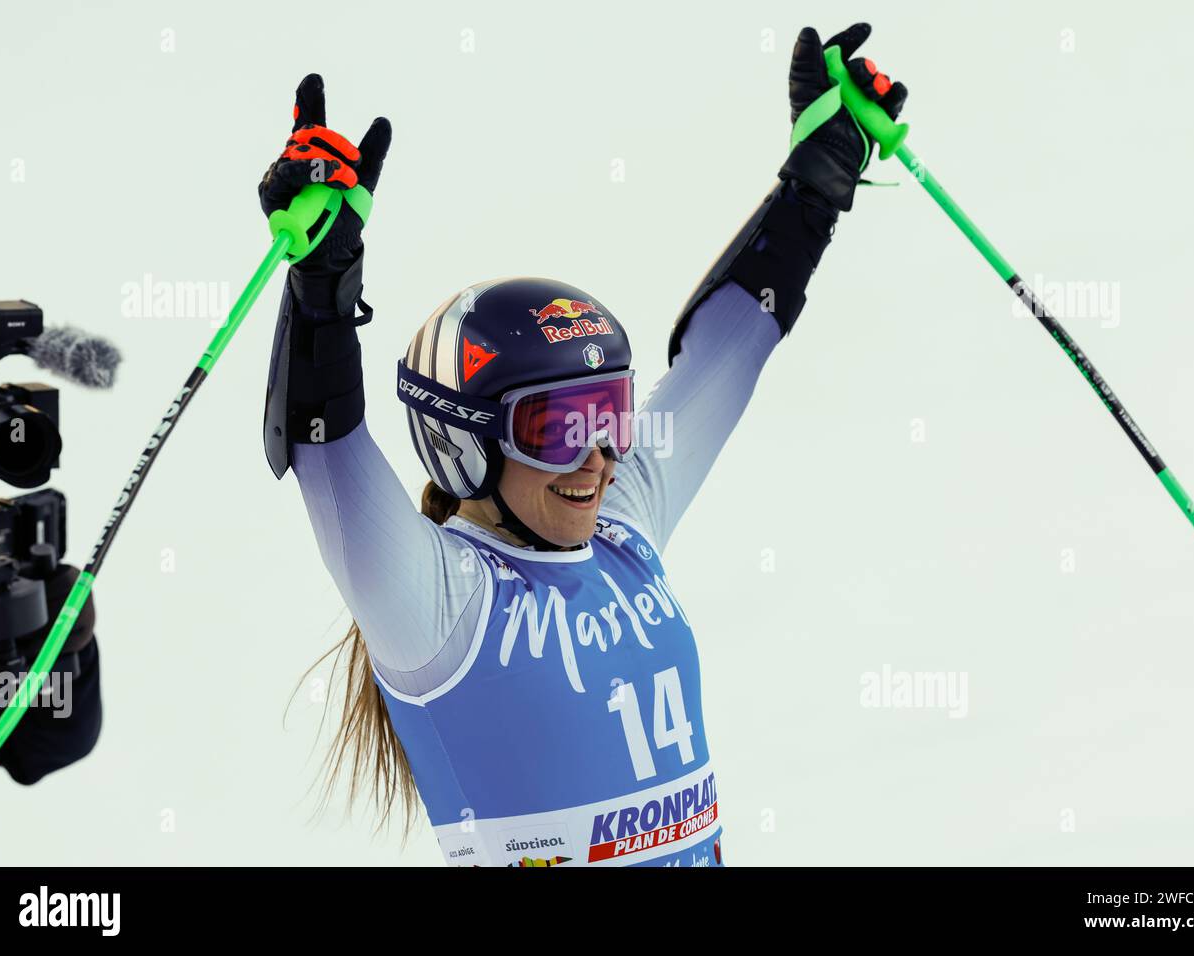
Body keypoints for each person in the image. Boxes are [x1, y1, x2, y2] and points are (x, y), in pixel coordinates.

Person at [259, 22, 908, 867]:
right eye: (561, 427)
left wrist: (815, 187)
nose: (599, 457)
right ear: (462, 447)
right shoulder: (437, 602)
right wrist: (320, 289)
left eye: (611, 412)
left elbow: (730, 352)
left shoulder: (623, 533)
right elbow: (325, 447)